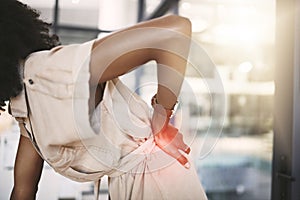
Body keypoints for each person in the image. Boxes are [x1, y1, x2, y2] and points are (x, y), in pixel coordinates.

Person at [0, 0, 207, 199]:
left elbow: (173, 32)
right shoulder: (26, 104)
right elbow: (22, 191)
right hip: (136, 184)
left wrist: (161, 122)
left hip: (160, 182)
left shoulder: (49, 71)